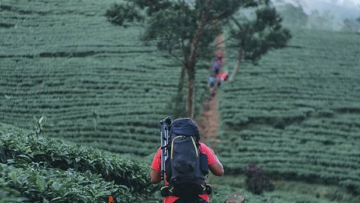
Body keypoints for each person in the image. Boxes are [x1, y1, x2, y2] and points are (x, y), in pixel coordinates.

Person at [150, 118, 224, 203]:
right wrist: (211, 152)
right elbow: (219, 171)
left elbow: (154, 179)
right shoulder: (201, 148)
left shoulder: (164, 150)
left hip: (173, 199)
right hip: (200, 197)